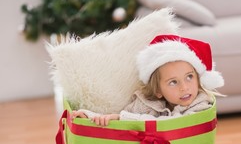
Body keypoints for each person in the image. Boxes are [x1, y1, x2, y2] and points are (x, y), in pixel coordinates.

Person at [71, 34, 224, 126]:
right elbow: (120, 121)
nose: (184, 87)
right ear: (158, 91)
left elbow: (171, 125)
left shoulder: (201, 104)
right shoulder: (146, 104)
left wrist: (122, 117)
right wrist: (90, 116)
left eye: (189, 77)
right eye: (173, 82)